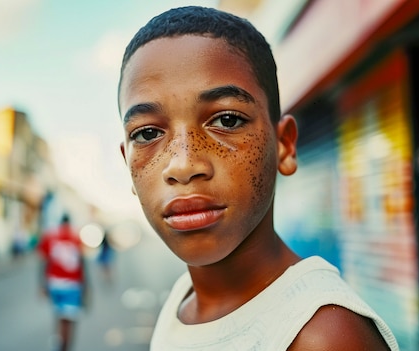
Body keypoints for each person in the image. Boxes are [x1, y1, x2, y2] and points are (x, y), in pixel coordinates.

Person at [118, 6, 399, 351]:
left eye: (228, 121)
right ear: (127, 163)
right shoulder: (184, 299)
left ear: (284, 145)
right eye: (147, 134)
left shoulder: (322, 336)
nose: (182, 164)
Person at [37, 214, 87, 351]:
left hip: (54, 283)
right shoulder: (76, 237)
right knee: (69, 320)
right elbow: (82, 264)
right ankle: (65, 347)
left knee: (59, 316)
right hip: (71, 285)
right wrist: (86, 288)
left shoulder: (51, 236)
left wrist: (42, 285)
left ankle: (59, 343)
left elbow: (44, 262)